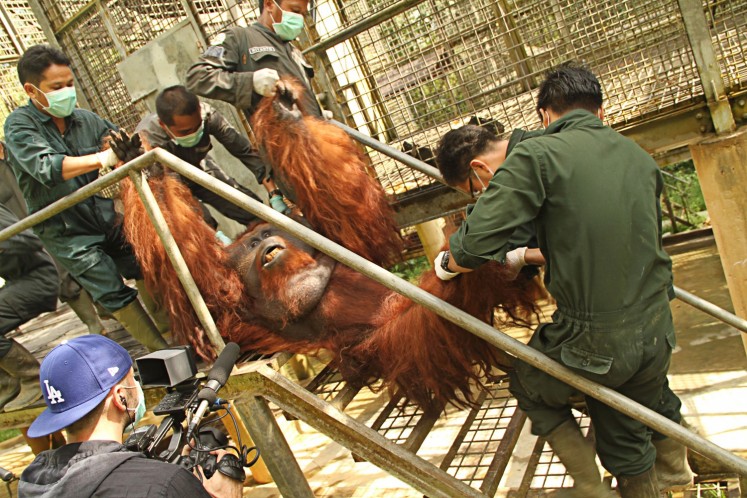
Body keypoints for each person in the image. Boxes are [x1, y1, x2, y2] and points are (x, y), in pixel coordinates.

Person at [434, 62, 691, 497]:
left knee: (539, 384)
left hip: (600, 340)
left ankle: (596, 489)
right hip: (657, 323)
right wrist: (527, 253)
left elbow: (472, 247)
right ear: (600, 110)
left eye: (477, 193)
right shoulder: (636, 155)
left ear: (545, 115)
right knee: (650, 397)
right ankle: (676, 476)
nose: (482, 197)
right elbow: (593, 231)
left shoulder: (535, 156)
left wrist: (444, 266)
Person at [3, 44, 169, 352]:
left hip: (99, 212)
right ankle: (159, 351)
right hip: (65, 229)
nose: (66, 92)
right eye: (56, 87)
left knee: (144, 263)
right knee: (110, 289)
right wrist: (101, 158)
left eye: (69, 84)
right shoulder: (19, 126)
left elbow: (115, 138)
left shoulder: (84, 119)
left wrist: (127, 150)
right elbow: (46, 167)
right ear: (32, 89)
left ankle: (173, 335)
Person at [19, 335, 242, 497]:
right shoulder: (165, 484)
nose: (137, 385)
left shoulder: (34, 482)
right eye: (132, 380)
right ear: (120, 397)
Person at [186, 0, 325, 204]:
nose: (299, 19)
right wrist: (249, 82)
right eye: (295, 10)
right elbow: (197, 76)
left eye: (303, 14)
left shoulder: (294, 52)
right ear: (269, 4)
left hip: (322, 150)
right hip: (292, 160)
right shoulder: (240, 39)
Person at [136, 85, 291, 220]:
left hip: (198, 167)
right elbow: (167, 194)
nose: (196, 132)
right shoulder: (147, 141)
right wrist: (209, 232)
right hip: (169, 183)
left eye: (198, 125)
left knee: (250, 208)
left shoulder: (208, 116)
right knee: (204, 221)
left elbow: (244, 150)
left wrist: (274, 194)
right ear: (164, 125)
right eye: (187, 131)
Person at [435, 124, 543, 279]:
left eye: (476, 189)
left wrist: (447, 263)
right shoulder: (543, 140)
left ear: (479, 167)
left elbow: (468, 251)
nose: (483, 193)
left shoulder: (519, 170)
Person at [0, 203, 57, 412]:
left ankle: (33, 378)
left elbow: (29, 240)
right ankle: (7, 385)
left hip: (38, 279)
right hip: (17, 282)